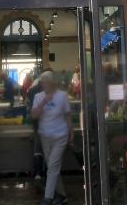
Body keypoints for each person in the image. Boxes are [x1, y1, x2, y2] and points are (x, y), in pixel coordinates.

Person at [31, 71, 73, 205]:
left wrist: (71, 132)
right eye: (43, 82)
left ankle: (48, 197)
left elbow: (67, 115)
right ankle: (62, 196)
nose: (45, 85)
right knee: (52, 168)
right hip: (45, 136)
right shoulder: (38, 97)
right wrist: (44, 102)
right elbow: (34, 116)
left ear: (52, 82)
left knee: (53, 166)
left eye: (47, 82)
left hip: (60, 136)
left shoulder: (62, 96)